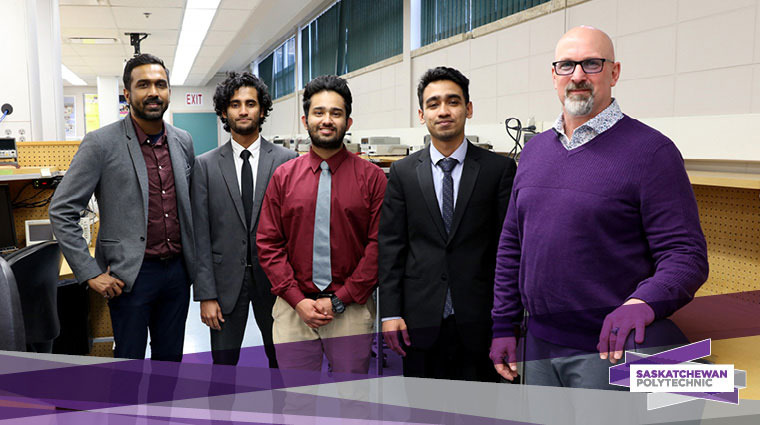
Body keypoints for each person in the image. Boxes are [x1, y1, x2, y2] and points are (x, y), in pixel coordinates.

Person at [490, 26, 709, 388]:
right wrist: (503, 325)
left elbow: (685, 255)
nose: (577, 76)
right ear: (554, 75)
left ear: (614, 72)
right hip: (537, 345)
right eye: (566, 65)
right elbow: (513, 245)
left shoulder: (652, 153)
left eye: (591, 63)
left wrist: (643, 303)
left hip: (609, 351)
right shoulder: (534, 152)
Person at [50, 53, 196, 361]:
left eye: (160, 84)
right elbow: (62, 209)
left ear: (169, 91)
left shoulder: (183, 141)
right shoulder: (101, 143)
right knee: (129, 362)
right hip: (130, 276)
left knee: (170, 361)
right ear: (127, 94)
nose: (153, 92)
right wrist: (89, 272)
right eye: (143, 85)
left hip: (178, 275)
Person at [379, 66, 516, 381]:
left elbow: (507, 249)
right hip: (420, 321)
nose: (443, 111)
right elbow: (391, 248)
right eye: (433, 103)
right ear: (421, 113)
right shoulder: (403, 173)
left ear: (468, 109)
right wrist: (390, 312)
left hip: (482, 321)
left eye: (453, 101)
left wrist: (508, 319)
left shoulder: (498, 170)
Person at [256, 75, 386, 374]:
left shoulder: (373, 178)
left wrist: (340, 299)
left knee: (353, 404)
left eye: (336, 113)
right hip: (293, 310)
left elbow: (378, 247)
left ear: (348, 122)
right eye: (319, 112)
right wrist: (297, 300)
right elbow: (268, 243)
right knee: (299, 403)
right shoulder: (283, 177)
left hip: (351, 310)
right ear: (306, 120)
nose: (327, 120)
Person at [191, 71, 296, 367]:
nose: (243, 110)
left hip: (276, 284)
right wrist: (206, 295)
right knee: (223, 370)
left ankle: (286, 415)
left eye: (250, 103)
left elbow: (295, 231)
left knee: (282, 365)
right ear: (224, 111)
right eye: (235, 104)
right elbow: (200, 233)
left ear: (262, 109)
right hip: (224, 287)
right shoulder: (205, 165)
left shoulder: (288, 162)